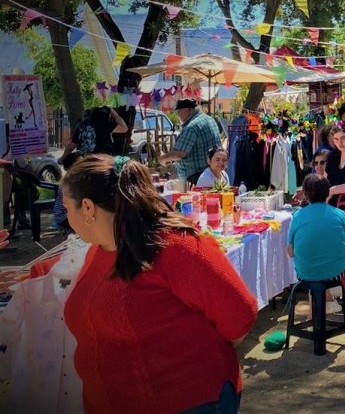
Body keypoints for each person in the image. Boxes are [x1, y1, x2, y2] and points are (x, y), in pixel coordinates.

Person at [61, 154, 257, 413]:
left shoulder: (175, 246)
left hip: (189, 402)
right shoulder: (98, 251)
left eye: (66, 208)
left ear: (87, 207)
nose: (65, 218)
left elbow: (239, 314)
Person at [287, 174, 345, 314]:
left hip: (305, 273)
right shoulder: (340, 214)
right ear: (328, 192)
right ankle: (325, 304)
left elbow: (290, 252)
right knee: (321, 272)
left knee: (313, 275)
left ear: (306, 195)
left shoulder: (297, 216)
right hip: (336, 272)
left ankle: (314, 314)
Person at [160, 99, 221, 185]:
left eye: (179, 112)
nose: (178, 115)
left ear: (187, 110)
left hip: (197, 177)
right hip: (211, 173)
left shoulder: (192, 126)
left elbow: (179, 153)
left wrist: (163, 159)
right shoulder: (209, 119)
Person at [63, 106, 128, 156]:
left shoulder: (82, 125)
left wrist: (63, 157)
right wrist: (115, 114)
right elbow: (124, 128)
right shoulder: (105, 123)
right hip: (102, 160)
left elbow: (72, 145)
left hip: (85, 159)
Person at [52, 150, 85, 231]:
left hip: (68, 212)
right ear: (70, 167)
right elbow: (76, 203)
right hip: (63, 216)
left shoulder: (77, 178)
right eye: (79, 163)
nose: (83, 165)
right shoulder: (70, 180)